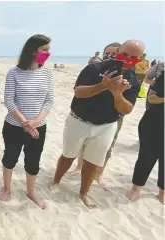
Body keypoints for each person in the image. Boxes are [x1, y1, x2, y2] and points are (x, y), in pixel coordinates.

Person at [50, 40, 144, 209]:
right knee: (68, 155)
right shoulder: (94, 68)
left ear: (140, 59)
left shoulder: (133, 81)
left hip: (106, 125)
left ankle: (84, 192)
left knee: (93, 162)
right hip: (78, 119)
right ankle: (56, 181)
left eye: (134, 57)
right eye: (124, 55)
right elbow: (78, 92)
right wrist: (102, 86)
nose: (128, 59)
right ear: (117, 52)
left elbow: (127, 109)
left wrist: (117, 95)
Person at [0, 34, 54, 209]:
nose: (48, 53)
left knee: (33, 160)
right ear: (32, 51)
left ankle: (31, 192)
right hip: (14, 126)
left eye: (48, 49)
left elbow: (49, 100)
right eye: (44, 49)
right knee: (10, 157)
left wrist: (35, 122)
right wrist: (24, 122)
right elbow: (9, 100)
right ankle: (7, 188)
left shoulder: (47, 73)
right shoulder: (14, 72)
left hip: (38, 127)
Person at [71, 42, 124, 183]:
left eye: (114, 53)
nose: (110, 56)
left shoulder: (128, 73)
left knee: (108, 147)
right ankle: (79, 167)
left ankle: (99, 174)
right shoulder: (94, 69)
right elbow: (79, 90)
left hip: (112, 117)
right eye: (107, 53)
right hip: (90, 113)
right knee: (84, 144)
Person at [127, 69, 164, 204]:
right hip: (153, 123)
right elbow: (151, 98)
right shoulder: (164, 76)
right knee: (146, 156)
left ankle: (162, 191)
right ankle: (136, 187)